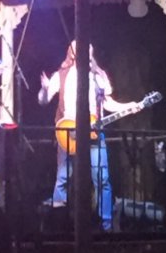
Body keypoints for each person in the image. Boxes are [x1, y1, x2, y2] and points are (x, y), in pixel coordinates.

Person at [38, 40, 139, 231]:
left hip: (94, 131)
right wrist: (44, 88)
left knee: (102, 178)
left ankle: (106, 225)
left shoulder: (97, 76)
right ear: (72, 53)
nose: (86, 52)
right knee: (63, 178)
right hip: (68, 131)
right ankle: (58, 222)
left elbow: (107, 101)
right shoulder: (61, 75)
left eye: (89, 50)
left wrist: (129, 106)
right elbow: (43, 101)